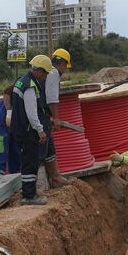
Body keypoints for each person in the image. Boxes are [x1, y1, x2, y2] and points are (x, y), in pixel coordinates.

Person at [9, 55, 54, 205]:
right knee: (30, 161)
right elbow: (31, 112)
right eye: (46, 73)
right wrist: (40, 130)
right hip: (28, 131)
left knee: (27, 160)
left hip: (20, 129)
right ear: (39, 71)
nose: (46, 76)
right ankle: (29, 196)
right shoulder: (30, 85)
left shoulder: (21, 81)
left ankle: (29, 191)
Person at [41, 48, 75, 188]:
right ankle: (53, 179)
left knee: (48, 146)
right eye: (65, 66)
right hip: (41, 115)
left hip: (41, 114)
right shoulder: (54, 73)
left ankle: (54, 178)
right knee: (46, 146)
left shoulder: (47, 72)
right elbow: (51, 98)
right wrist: (56, 118)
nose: (65, 70)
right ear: (60, 63)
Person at [0, 84, 21, 177]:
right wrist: (9, 112)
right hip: (2, 121)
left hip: (15, 124)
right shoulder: (24, 81)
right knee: (0, 150)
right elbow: (7, 92)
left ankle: (14, 177)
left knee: (15, 152)